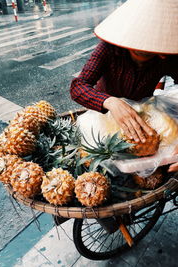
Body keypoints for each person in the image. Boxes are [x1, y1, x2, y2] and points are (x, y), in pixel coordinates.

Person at [70, 0, 178, 172]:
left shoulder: (167, 55)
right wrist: (110, 102)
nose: (147, 50)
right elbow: (78, 86)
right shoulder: (109, 49)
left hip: (145, 116)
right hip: (105, 118)